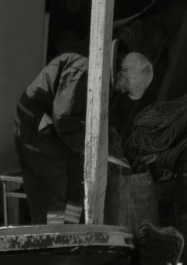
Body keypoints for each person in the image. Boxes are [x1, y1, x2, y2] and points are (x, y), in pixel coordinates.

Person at [14, 48, 156, 221]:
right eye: (125, 89)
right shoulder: (84, 73)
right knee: (53, 189)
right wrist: (91, 148)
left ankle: (73, 236)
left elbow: (100, 121)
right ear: (122, 75)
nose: (122, 92)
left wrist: (112, 144)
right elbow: (64, 119)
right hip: (38, 127)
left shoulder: (106, 81)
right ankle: (53, 239)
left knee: (77, 186)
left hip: (61, 134)